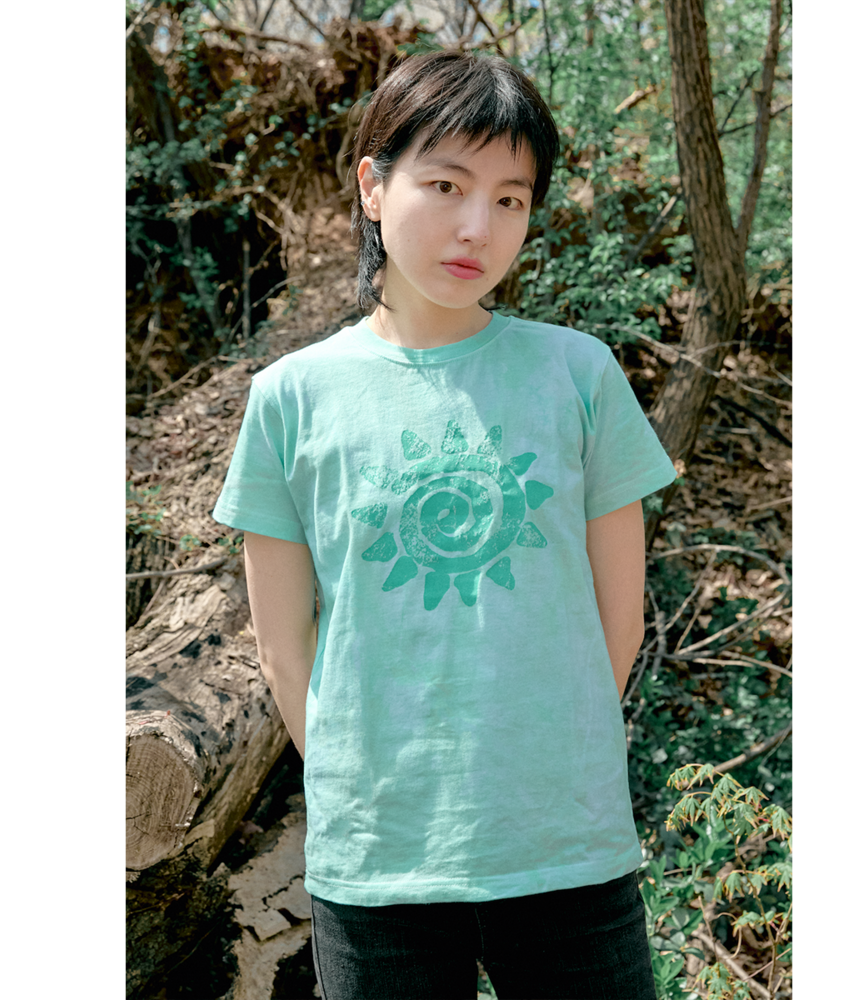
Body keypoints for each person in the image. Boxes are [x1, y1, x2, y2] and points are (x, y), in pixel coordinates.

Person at [212, 49, 676, 1000]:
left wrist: (548, 768)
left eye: (510, 199)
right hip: (378, 864)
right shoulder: (291, 398)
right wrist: (360, 788)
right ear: (372, 187)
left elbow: (618, 622)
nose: (478, 227)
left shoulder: (579, 375)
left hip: (566, 845)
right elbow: (284, 650)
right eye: (447, 186)